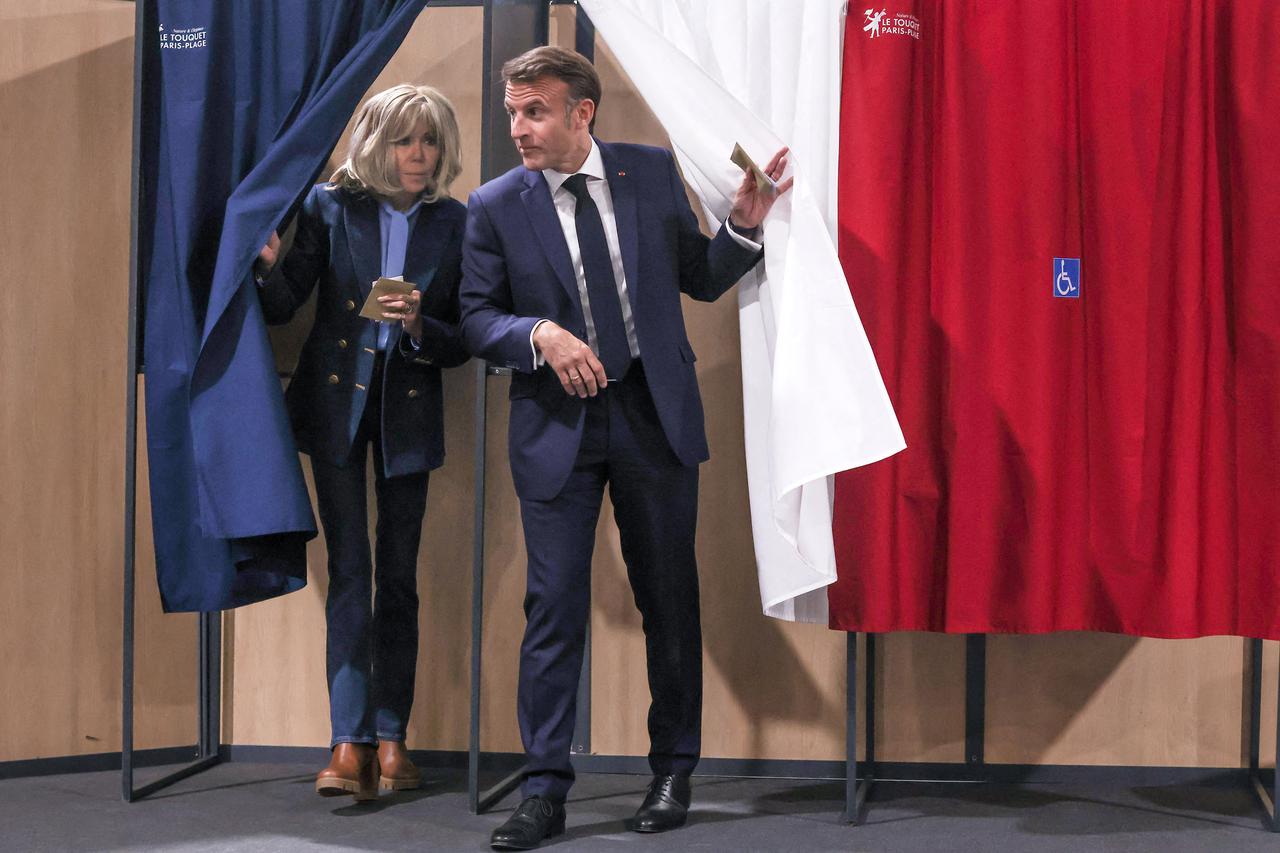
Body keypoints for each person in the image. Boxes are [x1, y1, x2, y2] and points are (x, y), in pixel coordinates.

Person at [458, 47, 791, 849]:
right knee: (554, 610)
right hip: (555, 426)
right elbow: (474, 317)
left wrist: (743, 225)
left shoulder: (648, 171)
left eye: (534, 111)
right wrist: (537, 332)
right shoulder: (494, 204)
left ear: (583, 112)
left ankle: (673, 770)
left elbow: (701, 277)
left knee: (670, 601)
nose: (518, 128)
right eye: (512, 111)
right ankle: (544, 790)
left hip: (652, 413)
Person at [254, 84, 469, 801]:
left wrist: (418, 328)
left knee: (400, 576)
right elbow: (286, 305)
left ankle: (392, 736)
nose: (419, 154)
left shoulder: (455, 222)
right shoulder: (329, 205)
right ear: (378, 143)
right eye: (407, 139)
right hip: (334, 407)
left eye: (430, 140)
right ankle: (347, 742)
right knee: (351, 569)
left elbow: (465, 334)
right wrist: (265, 262)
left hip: (407, 409)